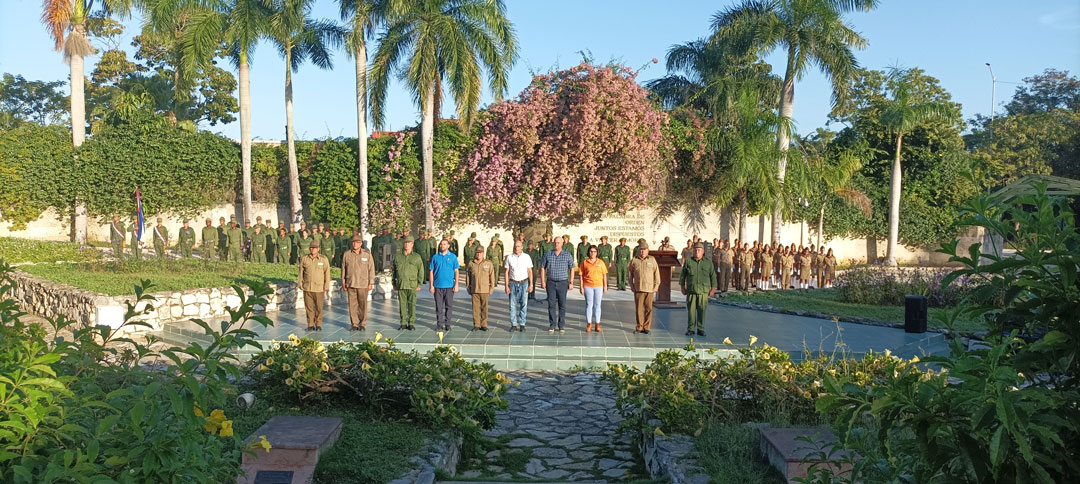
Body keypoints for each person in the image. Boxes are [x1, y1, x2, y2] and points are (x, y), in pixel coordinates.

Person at [539, 236, 576, 334]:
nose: (556, 244)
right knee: (551, 305)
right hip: (550, 283)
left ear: (562, 244)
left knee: (562, 305)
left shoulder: (567, 255)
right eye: (555, 243)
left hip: (563, 283)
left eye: (558, 243)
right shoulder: (548, 254)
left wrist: (571, 282)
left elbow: (572, 268)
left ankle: (561, 325)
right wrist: (542, 281)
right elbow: (542, 267)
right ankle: (552, 325)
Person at [680, 242, 717, 336]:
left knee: (702, 310)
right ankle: (691, 329)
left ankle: (701, 328)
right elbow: (683, 275)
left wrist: (713, 288)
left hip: (703, 292)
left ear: (703, 252)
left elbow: (713, 276)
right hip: (691, 290)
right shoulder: (689, 262)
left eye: (699, 250)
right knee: (691, 311)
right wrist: (682, 287)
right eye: (695, 250)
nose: (697, 252)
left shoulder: (708, 263)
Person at [340, 234, 375, 331]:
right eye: (353, 242)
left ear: (361, 243)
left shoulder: (367, 254)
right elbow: (343, 269)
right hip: (351, 283)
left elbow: (371, 269)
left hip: (363, 283)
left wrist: (371, 282)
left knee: (363, 305)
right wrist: (343, 281)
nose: (355, 244)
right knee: (352, 305)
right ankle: (354, 324)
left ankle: (362, 323)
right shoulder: (347, 254)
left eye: (357, 242)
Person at [298, 240, 331, 331]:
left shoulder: (323, 259)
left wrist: (326, 285)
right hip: (308, 287)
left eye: (315, 248)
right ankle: (310, 324)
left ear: (318, 249)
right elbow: (301, 272)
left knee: (319, 307)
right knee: (309, 307)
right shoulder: (305, 258)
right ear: (310, 249)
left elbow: (327, 272)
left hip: (319, 287)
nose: (313, 249)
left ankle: (318, 324)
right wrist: (300, 283)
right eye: (312, 248)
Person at [393, 236, 425, 330]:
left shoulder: (416, 257)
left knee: (412, 304)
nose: (406, 244)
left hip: (412, 285)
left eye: (409, 243)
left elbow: (421, 271)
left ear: (412, 245)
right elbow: (394, 271)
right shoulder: (398, 256)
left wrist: (419, 284)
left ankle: (411, 323)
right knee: (402, 304)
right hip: (401, 284)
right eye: (405, 243)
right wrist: (394, 283)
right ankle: (403, 322)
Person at [429, 238, 460, 331]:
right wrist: (431, 285)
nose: (442, 246)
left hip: (449, 286)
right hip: (438, 286)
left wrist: (456, 284)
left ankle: (447, 324)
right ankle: (439, 324)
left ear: (448, 246)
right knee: (439, 306)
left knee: (449, 306)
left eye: (444, 244)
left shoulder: (453, 257)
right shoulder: (435, 257)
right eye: (441, 244)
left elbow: (456, 271)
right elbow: (431, 271)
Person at [629, 242, 660, 334]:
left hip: (649, 288)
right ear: (639, 250)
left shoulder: (652, 259)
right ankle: (639, 327)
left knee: (648, 309)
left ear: (648, 250)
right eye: (641, 250)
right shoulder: (634, 260)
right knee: (639, 309)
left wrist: (656, 285)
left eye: (644, 250)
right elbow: (630, 274)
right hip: (638, 288)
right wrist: (631, 285)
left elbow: (656, 273)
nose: (642, 251)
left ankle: (647, 327)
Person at [505, 239, 534, 332]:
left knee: (524, 304)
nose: (517, 248)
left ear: (522, 247)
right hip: (513, 283)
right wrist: (506, 285)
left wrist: (531, 284)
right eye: (515, 246)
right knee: (512, 305)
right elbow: (507, 272)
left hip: (524, 283)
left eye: (518, 246)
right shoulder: (509, 257)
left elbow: (530, 271)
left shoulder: (526, 257)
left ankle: (522, 324)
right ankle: (513, 324)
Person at [578, 245, 608, 332]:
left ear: (597, 252)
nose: (593, 253)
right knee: (589, 305)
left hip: (598, 286)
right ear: (589, 252)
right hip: (588, 286)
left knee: (597, 305)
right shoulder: (585, 262)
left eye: (594, 251)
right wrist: (581, 286)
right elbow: (581, 275)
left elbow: (604, 275)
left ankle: (597, 324)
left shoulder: (600, 262)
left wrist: (605, 286)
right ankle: (589, 323)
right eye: (591, 251)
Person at [466, 245, 495, 331]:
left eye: (480, 253)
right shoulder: (471, 264)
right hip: (475, 289)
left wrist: (492, 288)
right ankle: (476, 324)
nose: (479, 255)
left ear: (483, 253)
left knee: (484, 308)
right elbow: (468, 276)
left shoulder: (488, 263)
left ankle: (484, 324)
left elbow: (492, 276)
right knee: (475, 308)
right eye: (477, 253)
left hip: (485, 289)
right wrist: (468, 287)